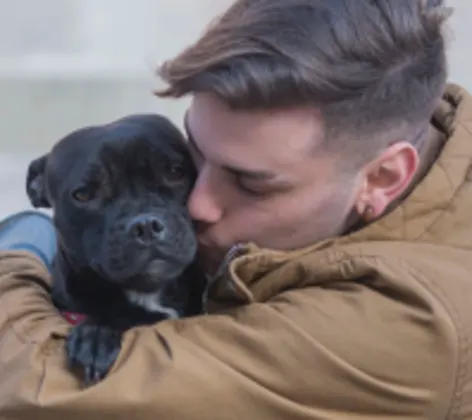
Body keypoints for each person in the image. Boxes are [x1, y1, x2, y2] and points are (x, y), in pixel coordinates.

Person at [0, 0, 470, 418]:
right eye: (193, 160)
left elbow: (43, 392)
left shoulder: (412, 324)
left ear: (382, 178)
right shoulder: (410, 137)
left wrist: (20, 247)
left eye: (248, 183)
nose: (197, 206)